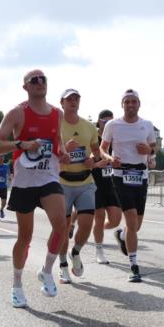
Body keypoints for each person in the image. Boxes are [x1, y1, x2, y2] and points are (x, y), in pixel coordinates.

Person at [0, 69, 72, 308]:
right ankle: (16, 285)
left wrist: (63, 152)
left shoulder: (57, 114)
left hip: (48, 178)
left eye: (43, 79)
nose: (39, 83)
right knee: (24, 237)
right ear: (25, 87)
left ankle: (46, 270)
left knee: (61, 225)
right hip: (24, 181)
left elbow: (56, 142)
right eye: (33, 80)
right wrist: (21, 143)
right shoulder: (17, 113)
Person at [101, 90, 157, 282]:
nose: (130, 105)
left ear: (139, 104)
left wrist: (149, 150)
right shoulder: (112, 124)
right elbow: (102, 148)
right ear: (122, 105)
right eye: (127, 102)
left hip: (141, 175)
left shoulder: (147, 125)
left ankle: (123, 236)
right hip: (120, 174)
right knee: (132, 222)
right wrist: (110, 159)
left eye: (134, 101)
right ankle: (134, 266)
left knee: (136, 226)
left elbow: (153, 148)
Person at [57, 88, 107, 283]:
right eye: (69, 99)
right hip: (62, 182)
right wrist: (63, 150)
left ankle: (75, 251)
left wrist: (92, 160)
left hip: (86, 181)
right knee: (63, 227)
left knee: (86, 224)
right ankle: (62, 264)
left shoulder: (89, 127)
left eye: (76, 99)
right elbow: (47, 152)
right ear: (62, 102)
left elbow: (96, 151)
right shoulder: (56, 125)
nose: (73, 102)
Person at [92, 109, 123, 265]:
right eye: (105, 120)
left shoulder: (116, 139)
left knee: (116, 220)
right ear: (99, 122)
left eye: (111, 120)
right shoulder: (94, 138)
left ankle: (96, 231)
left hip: (112, 184)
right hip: (95, 183)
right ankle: (99, 250)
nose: (108, 123)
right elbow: (86, 160)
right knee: (99, 217)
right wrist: (97, 163)